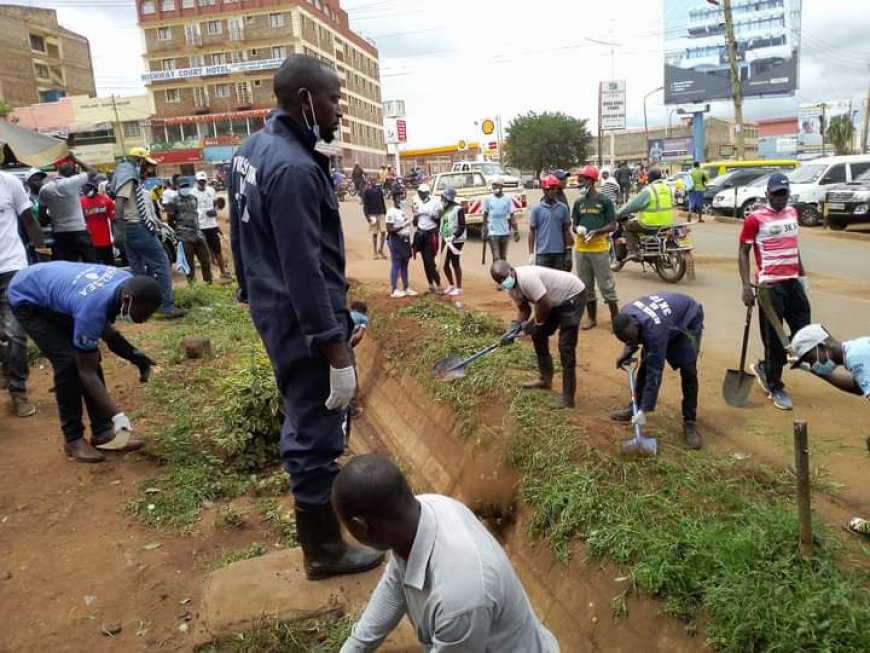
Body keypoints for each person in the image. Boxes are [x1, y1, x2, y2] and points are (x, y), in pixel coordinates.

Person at [229, 54, 384, 580]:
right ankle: (323, 551)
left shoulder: (252, 149)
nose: (340, 110)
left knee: (303, 410)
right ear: (304, 100)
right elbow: (304, 268)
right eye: (335, 99)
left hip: (275, 311)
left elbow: (240, 233)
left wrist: (248, 290)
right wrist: (333, 346)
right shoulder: (293, 167)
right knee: (318, 429)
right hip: (300, 320)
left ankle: (321, 537)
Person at [333, 454, 560, 653]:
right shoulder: (420, 514)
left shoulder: (459, 598)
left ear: (362, 526)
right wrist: (355, 646)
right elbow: (395, 585)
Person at [9, 262, 159, 462]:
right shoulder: (93, 307)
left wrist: (135, 356)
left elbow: (104, 329)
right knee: (69, 363)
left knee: (89, 354)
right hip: (27, 298)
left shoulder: (124, 282)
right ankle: (73, 439)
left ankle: (102, 432)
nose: (145, 319)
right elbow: (86, 371)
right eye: (144, 313)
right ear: (127, 300)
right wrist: (117, 416)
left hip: (53, 283)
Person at [738, 172, 810, 411]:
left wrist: (803, 276)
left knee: (805, 332)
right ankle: (775, 385)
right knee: (774, 338)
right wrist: (746, 286)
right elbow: (743, 252)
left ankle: (767, 365)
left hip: (792, 282)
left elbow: (794, 245)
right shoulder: (755, 219)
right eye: (776, 194)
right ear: (767, 193)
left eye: (784, 193)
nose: (780, 198)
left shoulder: (792, 213)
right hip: (770, 285)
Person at [610, 292, 703, 450]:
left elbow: (655, 373)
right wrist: (627, 351)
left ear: (637, 327)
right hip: (666, 319)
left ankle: (690, 421)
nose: (633, 343)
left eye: (633, 339)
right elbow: (631, 338)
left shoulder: (654, 331)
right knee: (645, 361)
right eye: (627, 341)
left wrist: (645, 410)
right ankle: (635, 406)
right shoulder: (626, 313)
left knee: (688, 369)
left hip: (687, 319)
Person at [491, 260, 585, 409]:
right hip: (552, 300)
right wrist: (513, 329)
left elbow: (544, 305)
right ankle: (545, 379)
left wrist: (534, 324)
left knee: (565, 345)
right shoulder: (510, 287)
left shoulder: (527, 278)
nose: (504, 282)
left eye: (504, 277)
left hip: (571, 296)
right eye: (500, 281)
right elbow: (524, 309)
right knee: (538, 335)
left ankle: (568, 397)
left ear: (511, 269)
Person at [111, 147, 186, 319]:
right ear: (139, 161)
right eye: (146, 164)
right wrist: (120, 230)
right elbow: (120, 202)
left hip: (130, 228)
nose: (148, 169)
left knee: (137, 270)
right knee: (162, 263)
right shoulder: (127, 176)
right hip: (135, 227)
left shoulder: (123, 173)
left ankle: (139, 307)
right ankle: (167, 307)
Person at [1, 169, 43, 417]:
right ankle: (6, 364)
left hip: (12, 268)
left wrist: (41, 255)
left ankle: (18, 391)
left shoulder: (9, 183)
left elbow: (29, 220)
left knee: (15, 333)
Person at [571, 165, 619, 330]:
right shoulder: (578, 203)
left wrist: (597, 231)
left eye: (581, 181)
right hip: (581, 250)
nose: (578, 184)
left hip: (599, 250)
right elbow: (574, 225)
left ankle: (616, 321)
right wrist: (578, 229)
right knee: (586, 287)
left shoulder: (604, 201)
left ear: (591, 182)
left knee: (606, 286)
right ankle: (592, 319)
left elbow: (613, 225)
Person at [39, 155, 97, 263]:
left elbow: (42, 216)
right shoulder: (72, 182)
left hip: (59, 233)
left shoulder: (44, 189)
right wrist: (75, 158)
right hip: (78, 230)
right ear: (73, 170)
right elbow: (93, 171)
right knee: (91, 264)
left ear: (58, 169)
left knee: (69, 265)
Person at [790, 324, 870, 399]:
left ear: (821, 347)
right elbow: (858, 388)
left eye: (810, 359)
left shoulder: (855, 358)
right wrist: (812, 370)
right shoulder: (857, 346)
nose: (812, 365)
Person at [617, 168, 674, 260]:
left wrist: (619, 212)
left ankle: (633, 251)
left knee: (628, 226)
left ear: (650, 177)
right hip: (667, 224)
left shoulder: (648, 190)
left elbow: (632, 204)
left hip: (649, 224)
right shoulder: (669, 188)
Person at [172, 178, 213, 284]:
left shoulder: (194, 198)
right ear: (178, 187)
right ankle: (193, 287)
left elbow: (196, 214)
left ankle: (209, 284)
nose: (184, 188)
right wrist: (177, 233)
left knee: (205, 260)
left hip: (197, 234)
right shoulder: (174, 200)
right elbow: (170, 219)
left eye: (186, 186)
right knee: (189, 265)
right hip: (184, 236)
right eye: (182, 186)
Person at [192, 171, 231, 281]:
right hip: (200, 226)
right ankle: (209, 276)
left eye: (204, 181)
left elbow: (215, 205)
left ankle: (223, 271)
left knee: (217, 249)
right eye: (200, 181)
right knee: (204, 252)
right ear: (196, 181)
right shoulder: (192, 193)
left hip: (212, 225)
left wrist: (215, 211)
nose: (202, 183)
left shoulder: (211, 190)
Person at [528, 175, 572, 271]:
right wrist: (531, 253)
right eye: (548, 189)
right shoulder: (537, 209)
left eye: (554, 189)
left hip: (559, 253)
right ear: (544, 190)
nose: (551, 192)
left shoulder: (563, 208)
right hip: (542, 253)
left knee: (559, 282)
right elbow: (532, 231)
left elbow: (566, 230)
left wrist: (568, 251)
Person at [411, 182, 443, 294]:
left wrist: (433, 216)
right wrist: (416, 214)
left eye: (423, 193)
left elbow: (439, 220)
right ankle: (431, 285)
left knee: (430, 261)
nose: (421, 195)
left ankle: (438, 284)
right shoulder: (417, 204)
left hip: (431, 235)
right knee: (425, 261)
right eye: (420, 193)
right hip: (420, 235)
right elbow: (415, 223)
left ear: (428, 193)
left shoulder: (435, 203)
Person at [384, 187, 416, 298]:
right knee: (396, 264)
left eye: (403, 197)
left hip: (405, 241)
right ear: (395, 199)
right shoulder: (391, 212)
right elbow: (389, 229)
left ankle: (406, 287)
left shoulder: (401, 212)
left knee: (405, 264)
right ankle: (394, 289)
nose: (402, 200)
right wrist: (403, 226)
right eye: (400, 197)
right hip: (396, 240)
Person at [482, 176, 519, 262]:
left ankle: (503, 275)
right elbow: (485, 214)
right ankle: (497, 274)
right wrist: (484, 229)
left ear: (502, 187)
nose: (494, 188)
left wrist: (516, 231)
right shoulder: (488, 199)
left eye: (496, 186)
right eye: (493, 186)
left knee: (503, 258)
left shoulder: (507, 199)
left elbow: (512, 215)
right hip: (493, 233)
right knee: (496, 257)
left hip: (505, 232)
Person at [438, 187, 466, 297]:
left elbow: (462, 226)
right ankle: (451, 284)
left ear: (448, 198)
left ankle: (459, 288)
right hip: (445, 238)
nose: (442, 200)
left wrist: (454, 237)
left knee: (455, 262)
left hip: (456, 240)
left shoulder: (458, 209)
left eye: (443, 198)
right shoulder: (444, 209)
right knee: (444, 263)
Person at [81, 181, 116, 266]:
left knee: (109, 264)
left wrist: (114, 236)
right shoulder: (81, 202)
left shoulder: (106, 200)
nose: (88, 193)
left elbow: (113, 218)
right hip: (91, 240)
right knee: (95, 265)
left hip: (106, 239)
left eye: (88, 190)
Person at [24, 168, 52, 262]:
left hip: (52, 240)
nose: (39, 182)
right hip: (34, 242)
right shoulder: (25, 200)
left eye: (40, 180)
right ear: (28, 183)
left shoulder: (50, 196)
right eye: (35, 180)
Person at [361, 176, 387, 260]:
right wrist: (367, 217)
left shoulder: (379, 190)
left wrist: (384, 211)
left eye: (374, 180)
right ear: (369, 181)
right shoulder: (367, 191)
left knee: (383, 232)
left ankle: (381, 250)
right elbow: (365, 205)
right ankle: (375, 252)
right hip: (372, 214)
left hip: (381, 213)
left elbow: (382, 201)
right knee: (375, 234)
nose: (373, 181)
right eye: (372, 180)